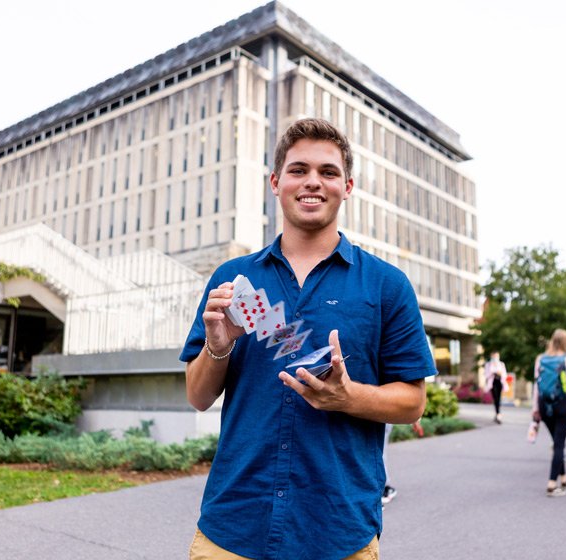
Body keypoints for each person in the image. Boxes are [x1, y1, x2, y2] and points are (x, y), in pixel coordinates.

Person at [181, 118, 434, 560]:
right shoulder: (231, 280)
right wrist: (219, 344)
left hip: (338, 533)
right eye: (298, 170)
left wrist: (348, 396)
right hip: (233, 530)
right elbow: (199, 396)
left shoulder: (386, 285)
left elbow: (413, 401)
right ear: (276, 183)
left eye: (328, 172)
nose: (312, 181)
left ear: (348, 186)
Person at [531, 329, 566, 497]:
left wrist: (535, 408)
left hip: (544, 405)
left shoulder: (541, 359)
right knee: (559, 444)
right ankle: (552, 483)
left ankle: (565, 478)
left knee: (556, 441)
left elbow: (536, 386)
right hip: (562, 405)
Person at [484, 351, 507, 423]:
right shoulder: (488, 364)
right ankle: (498, 413)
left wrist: (500, 373)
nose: (495, 358)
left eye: (496, 356)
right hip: (492, 383)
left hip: (499, 382)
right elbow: (486, 375)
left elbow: (504, 374)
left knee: (498, 398)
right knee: (495, 398)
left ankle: (498, 414)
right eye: (494, 356)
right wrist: (493, 372)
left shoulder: (501, 364)